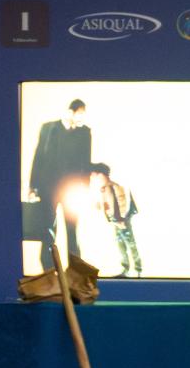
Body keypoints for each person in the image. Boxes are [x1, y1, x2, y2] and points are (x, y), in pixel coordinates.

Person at [27, 99, 92, 272]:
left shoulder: (85, 133)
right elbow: (38, 156)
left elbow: (86, 162)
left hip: (71, 190)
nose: (81, 118)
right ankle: (48, 271)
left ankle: (74, 272)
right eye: (79, 114)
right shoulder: (49, 128)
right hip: (48, 188)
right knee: (48, 230)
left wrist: (85, 189)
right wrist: (32, 186)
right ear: (70, 112)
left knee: (72, 230)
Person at [89, 163, 143, 278]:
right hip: (116, 220)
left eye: (95, 175)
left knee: (129, 243)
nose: (93, 178)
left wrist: (120, 220)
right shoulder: (105, 188)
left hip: (120, 220)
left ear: (101, 175)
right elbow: (106, 204)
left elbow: (120, 203)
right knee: (121, 244)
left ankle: (136, 269)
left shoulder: (112, 187)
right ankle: (127, 269)